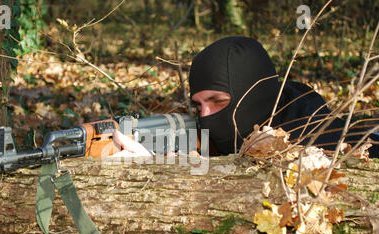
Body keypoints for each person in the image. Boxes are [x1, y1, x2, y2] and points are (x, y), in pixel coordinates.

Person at [114, 36, 379, 158]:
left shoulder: (318, 144)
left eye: (218, 102)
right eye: (199, 105)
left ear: (255, 95)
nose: (206, 117)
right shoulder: (224, 133)